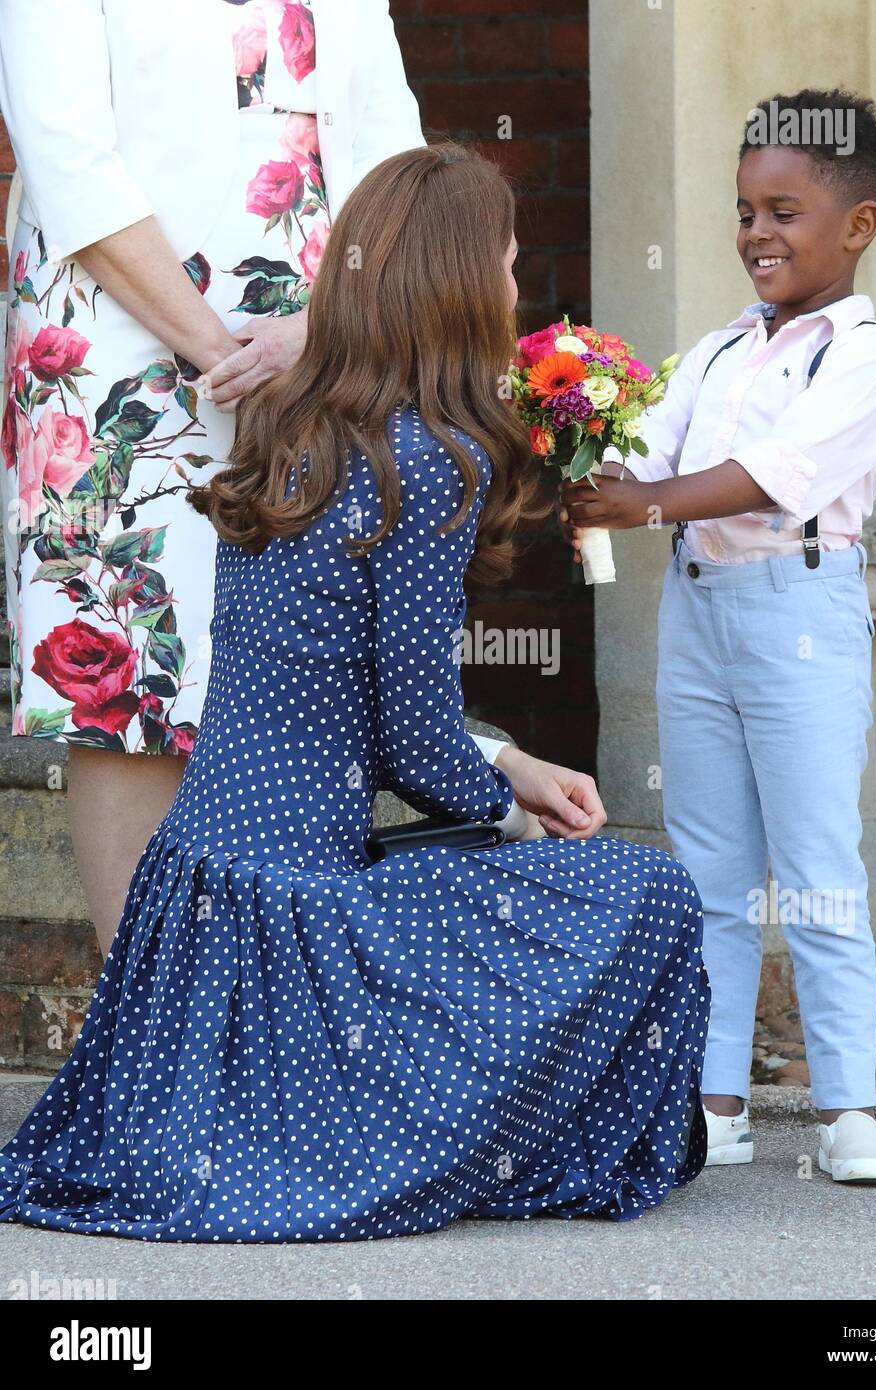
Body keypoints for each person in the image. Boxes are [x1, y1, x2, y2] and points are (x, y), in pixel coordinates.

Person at [0, 145, 710, 1241]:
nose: (517, 291)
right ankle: (530, 1145)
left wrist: (508, 762)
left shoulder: (296, 430)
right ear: (465, 283)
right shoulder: (432, 462)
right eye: (510, 265)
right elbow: (415, 746)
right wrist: (518, 816)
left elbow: (342, 698)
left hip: (187, 908)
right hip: (295, 913)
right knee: (643, 890)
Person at [0, 0, 424, 956]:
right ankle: (147, 1040)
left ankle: (269, 1033)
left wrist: (319, 339)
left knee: (298, 668)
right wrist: (218, 351)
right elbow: (67, 156)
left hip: (319, 355)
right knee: (132, 685)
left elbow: (402, 174)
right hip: (118, 357)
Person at [561, 90, 876, 1183]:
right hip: (698, 608)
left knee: (815, 862)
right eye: (742, 211)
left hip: (798, 610)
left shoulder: (862, 355)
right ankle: (717, 1103)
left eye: (783, 211)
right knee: (710, 864)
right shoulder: (715, 352)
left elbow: (776, 476)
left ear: (854, 226)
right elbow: (645, 455)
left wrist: (647, 505)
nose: (755, 232)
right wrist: (575, 442)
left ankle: (849, 1107)